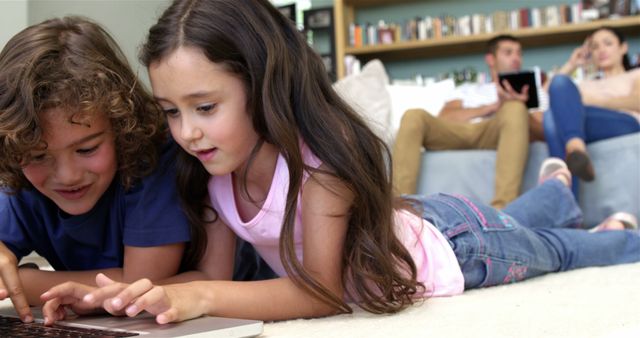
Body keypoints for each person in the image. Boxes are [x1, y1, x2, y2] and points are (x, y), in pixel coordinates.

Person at [38, 0, 640, 326]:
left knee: (560, 251)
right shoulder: (209, 170)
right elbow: (207, 276)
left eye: (205, 106)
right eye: (171, 111)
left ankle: (618, 230)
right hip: (413, 222)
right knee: (534, 224)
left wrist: (207, 300)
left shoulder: (317, 164)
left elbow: (323, 292)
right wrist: (126, 294)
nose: (187, 132)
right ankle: (556, 188)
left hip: (457, 246)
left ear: (262, 84)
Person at [0, 16, 195, 323]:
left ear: (121, 127)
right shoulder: (23, 179)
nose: (67, 175)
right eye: (38, 156)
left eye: (87, 149)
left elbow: (137, 286)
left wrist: (21, 282)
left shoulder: (155, 158)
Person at [392, 34, 544, 209]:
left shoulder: (531, 93)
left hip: (496, 133)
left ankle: (502, 211)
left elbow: (541, 130)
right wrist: (494, 106)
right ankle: (398, 211)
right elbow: (444, 118)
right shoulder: (469, 89)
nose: (516, 58)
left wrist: (519, 105)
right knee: (413, 116)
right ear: (490, 59)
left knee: (514, 109)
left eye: (519, 53)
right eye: (508, 53)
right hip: (461, 132)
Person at [544, 26, 640, 185]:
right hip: (587, 123)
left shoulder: (635, 74)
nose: (601, 50)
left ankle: (565, 196)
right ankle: (576, 149)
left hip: (627, 123)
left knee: (554, 118)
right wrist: (572, 64)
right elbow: (550, 92)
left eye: (607, 43)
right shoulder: (585, 84)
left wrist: (586, 101)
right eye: (595, 47)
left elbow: (637, 101)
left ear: (623, 47)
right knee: (553, 111)